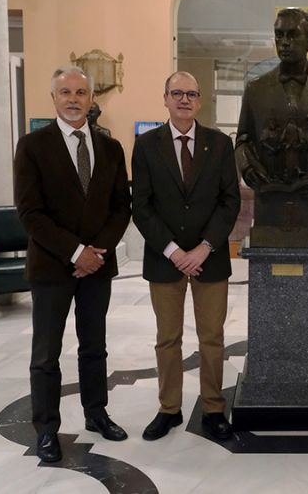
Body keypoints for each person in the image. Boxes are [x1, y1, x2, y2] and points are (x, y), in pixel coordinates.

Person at [14, 66, 131, 463]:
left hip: (97, 267)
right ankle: (46, 429)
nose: (73, 99)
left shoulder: (111, 148)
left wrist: (95, 252)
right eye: (65, 92)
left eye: (81, 92)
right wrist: (74, 252)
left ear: (91, 98)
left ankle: (96, 414)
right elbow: (31, 213)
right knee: (46, 354)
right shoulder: (32, 146)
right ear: (53, 98)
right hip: (51, 267)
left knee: (94, 347)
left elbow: (121, 207)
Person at [132, 71, 240, 441]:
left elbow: (230, 202)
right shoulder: (147, 145)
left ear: (200, 100)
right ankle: (169, 409)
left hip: (210, 258)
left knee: (212, 337)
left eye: (191, 93)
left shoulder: (220, 144)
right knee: (168, 338)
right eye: (176, 93)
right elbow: (141, 206)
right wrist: (176, 251)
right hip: (165, 259)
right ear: (165, 98)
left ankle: (213, 408)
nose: (183, 99)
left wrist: (204, 248)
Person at [235, 8, 308, 199]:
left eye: (293, 35)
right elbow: (242, 140)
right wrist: (247, 168)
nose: (285, 42)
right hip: (268, 195)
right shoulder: (255, 89)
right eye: (279, 35)